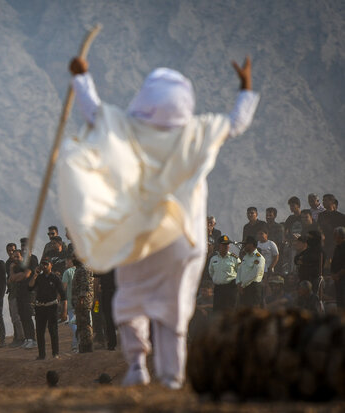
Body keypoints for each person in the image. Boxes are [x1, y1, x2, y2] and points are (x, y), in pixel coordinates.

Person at [65, 53, 259, 389]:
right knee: (174, 307)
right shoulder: (198, 132)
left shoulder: (129, 129)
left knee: (131, 298)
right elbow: (236, 123)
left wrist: (81, 76)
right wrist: (245, 88)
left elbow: (94, 112)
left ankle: (137, 365)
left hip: (140, 234)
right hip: (183, 239)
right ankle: (171, 377)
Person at [29, 258, 67, 360]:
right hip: (40, 307)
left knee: (53, 330)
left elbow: (63, 295)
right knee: (40, 332)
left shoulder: (55, 278)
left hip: (52, 307)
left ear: (51, 265)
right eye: (42, 264)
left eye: (46, 264)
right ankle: (42, 355)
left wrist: (64, 311)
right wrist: (35, 274)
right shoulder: (39, 278)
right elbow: (30, 287)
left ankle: (55, 354)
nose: (44, 266)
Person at [10, 248, 37, 349]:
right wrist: (13, 271)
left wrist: (18, 276)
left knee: (27, 315)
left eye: (17, 256)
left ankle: (32, 339)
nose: (15, 259)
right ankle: (27, 338)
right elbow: (12, 279)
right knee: (22, 316)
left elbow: (26, 275)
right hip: (19, 293)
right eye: (14, 257)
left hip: (28, 293)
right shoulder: (15, 267)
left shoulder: (28, 264)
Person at [208, 235, 240, 312]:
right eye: (224, 244)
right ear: (219, 245)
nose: (227, 246)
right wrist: (218, 279)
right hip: (218, 289)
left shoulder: (234, 258)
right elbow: (211, 272)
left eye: (228, 244)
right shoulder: (214, 259)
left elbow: (240, 272)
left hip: (230, 288)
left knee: (230, 312)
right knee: (217, 312)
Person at [72, 257, 94, 353]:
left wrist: (81, 299)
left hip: (83, 301)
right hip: (80, 300)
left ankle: (87, 346)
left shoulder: (83, 269)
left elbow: (84, 286)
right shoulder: (79, 269)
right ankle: (83, 346)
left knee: (85, 324)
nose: (73, 259)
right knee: (81, 324)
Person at [236, 236, 266, 308]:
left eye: (245, 244)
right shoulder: (246, 257)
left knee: (254, 311)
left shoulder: (258, 257)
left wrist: (243, 285)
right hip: (243, 288)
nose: (244, 246)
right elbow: (240, 270)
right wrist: (238, 282)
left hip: (253, 287)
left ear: (251, 245)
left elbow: (254, 274)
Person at [4, 243, 24, 347]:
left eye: (13, 250)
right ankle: (17, 337)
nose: (11, 253)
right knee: (13, 316)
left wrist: (12, 277)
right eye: (9, 251)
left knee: (17, 316)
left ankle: (22, 338)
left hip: (19, 292)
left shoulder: (20, 263)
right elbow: (9, 278)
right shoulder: (8, 263)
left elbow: (14, 278)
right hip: (12, 291)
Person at [318, 194, 345, 264]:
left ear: (332, 202)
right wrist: (321, 234)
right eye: (323, 200)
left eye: (325, 200)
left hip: (335, 244)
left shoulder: (341, 216)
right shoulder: (321, 215)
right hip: (323, 243)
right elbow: (318, 227)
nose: (323, 202)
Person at [61, 255, 78, 352]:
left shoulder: (67, 272)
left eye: (67, 261)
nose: (65, 263)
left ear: (71, 261)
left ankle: (76, 344)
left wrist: (60, 300)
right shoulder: (82, 270)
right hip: (83, 302)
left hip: (71, 303)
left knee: (73, 324)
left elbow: (63, 288)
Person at [330, 227, 345, 309]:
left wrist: (338, 274)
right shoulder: (337, 247)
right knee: (339, 301)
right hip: (338, 279)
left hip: (343, 278)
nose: (335, 238)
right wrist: (332, 273)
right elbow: (334, 261)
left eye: (336, 236)